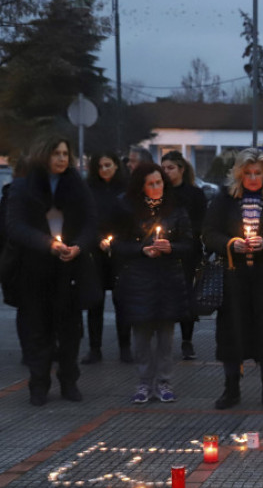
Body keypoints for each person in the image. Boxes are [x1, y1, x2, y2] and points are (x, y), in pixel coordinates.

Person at [5, 137, 97, 405]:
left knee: (70, 330)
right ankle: (39, 384)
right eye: (56, 153)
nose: (61, 159)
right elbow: (15, 226)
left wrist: (78, 246)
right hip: (34, 270)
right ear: (44, 155)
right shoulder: (23, 187)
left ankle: (69, 382)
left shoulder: (78, 187)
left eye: (65, 153)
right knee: (37, 330)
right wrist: (48, 245)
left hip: (70, 269)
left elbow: (91, 223)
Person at [202, 148, 263, 410]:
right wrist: (231, 243)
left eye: (258, 174)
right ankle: (231, 389)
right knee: (233, 332)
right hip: (234, 277)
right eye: (248, 173)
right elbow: (209, 233)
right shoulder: (225, 198)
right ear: (239, 174)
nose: (253, 179)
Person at [108, 163, 192, 403]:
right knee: (142, 334)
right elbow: (117, 244)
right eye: (151, 184)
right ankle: (144, 382)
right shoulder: (126, 208)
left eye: (160, 183)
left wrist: (171, 247)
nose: (157, 188)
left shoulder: (175, 207)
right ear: (141, 186)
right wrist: (141, 250)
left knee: (166, 334)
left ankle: (164, 381)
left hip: (168, 279)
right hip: (138, 278)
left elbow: (189, 243)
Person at [82, 149, 132, 364]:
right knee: (96, 300)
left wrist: (117, 239)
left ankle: (125, 347)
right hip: (95, 250)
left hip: (120, 249)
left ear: (116, 165)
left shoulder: (126, 188)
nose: (104, 170)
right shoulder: (89, 189)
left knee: (122, 300)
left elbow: (131, 219)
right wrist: (97, 238)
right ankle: (95, 348)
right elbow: (85, 218)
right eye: (100, 166)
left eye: (108, 165)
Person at [160, 151, 207, 360]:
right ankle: (164, 339)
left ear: (181, 169)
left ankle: (187, 340)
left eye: (170, 168)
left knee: (187, 295)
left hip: (188, 251)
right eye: (164, 168)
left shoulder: (194, 194)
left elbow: (201, 221)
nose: (166, 172)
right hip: (164, 250)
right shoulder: (160, 192)